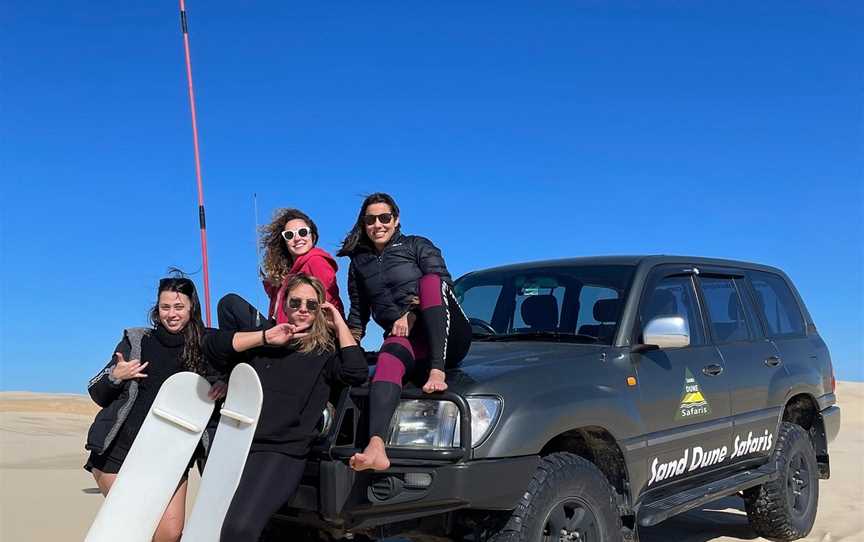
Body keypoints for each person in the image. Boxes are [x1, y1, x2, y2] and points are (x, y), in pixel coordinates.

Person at [204, 274, 368, 542]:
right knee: (218, 525)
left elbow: (357, 371)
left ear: (320, 310)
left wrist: (338, 321)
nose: (303, 309)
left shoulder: (324, 353)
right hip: (239, 444)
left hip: (281, 451)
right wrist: (265, 337)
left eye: (312, 305)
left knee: (239, 530)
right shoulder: (266, 343)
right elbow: (213, 347)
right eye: (296, 302)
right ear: (285, 303)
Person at [337, 192, 472, 472]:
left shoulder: (417, 246)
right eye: (371, 220)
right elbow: (358, 313)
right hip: (409, 342)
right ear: (364, 224)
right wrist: (348, 351)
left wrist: (411, 315)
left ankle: (437, 370)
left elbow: (444, 287)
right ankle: (376, 447)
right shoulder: (359, 263)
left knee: (431, 282)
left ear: (396, 220)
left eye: (384, 218)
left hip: (447, 336)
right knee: (388, 357)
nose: (378, 225)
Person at [85, 276, 225, 542]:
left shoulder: (206, 346)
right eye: (165, 307)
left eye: (178, 307)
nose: (171, 314)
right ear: (157, 309)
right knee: (133, 525)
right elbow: (97, 391)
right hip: (120, 452)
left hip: (173, 455)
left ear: (191, 308)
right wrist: (117, 374)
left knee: (169, 534)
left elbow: (231, 372)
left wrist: (225, 383)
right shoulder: (137, 341)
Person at [218, 208, 344, 334]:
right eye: (289, 235)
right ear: (284, 242)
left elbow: (328, 303)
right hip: (280, 331)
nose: (297, 238)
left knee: (229, 303)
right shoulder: (290, 273)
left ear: (313, 236)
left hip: (301, 336)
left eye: (303, 232)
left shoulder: (316, 261)